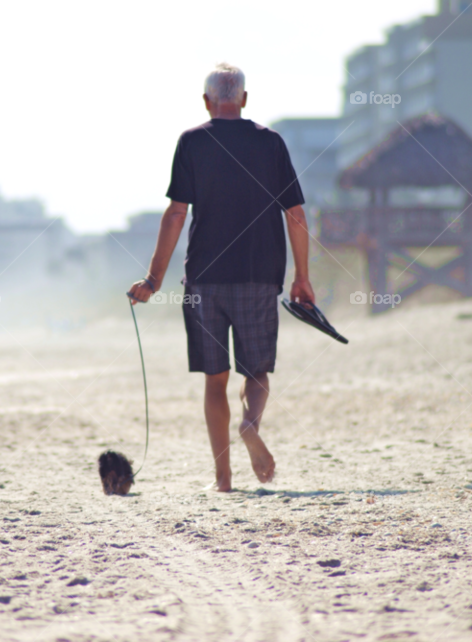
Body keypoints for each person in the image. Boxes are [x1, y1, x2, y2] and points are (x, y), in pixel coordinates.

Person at [127, 63, 315, 492]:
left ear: (207, 101)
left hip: (204, 280)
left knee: (216, 380)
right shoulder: (271, 143)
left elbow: (177, 213)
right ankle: (249, 425)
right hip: (259, 275)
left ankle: (223, 479)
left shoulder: (192, 142)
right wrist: (302, 276)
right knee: (257, 371)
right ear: (244, 99)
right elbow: (297, 215)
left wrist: (153, 280)